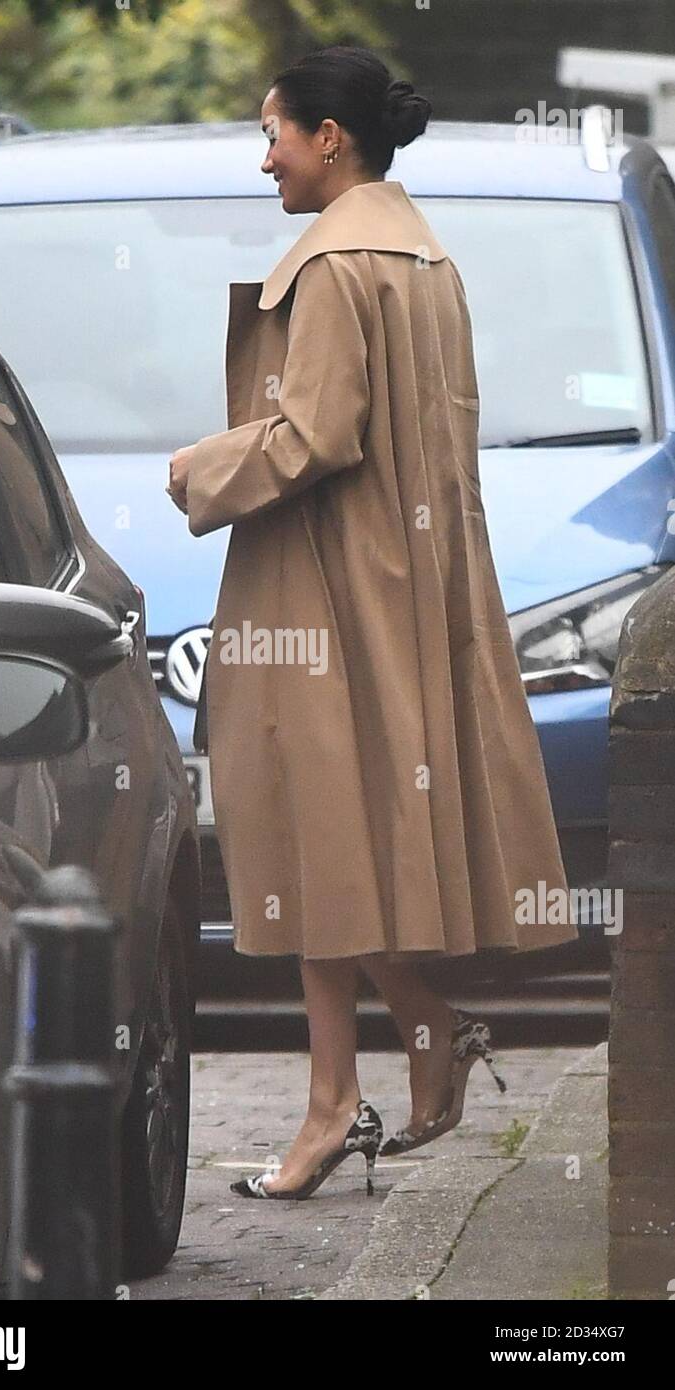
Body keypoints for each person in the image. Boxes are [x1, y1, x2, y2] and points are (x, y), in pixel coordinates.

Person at [166, 45, 579, 1200]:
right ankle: (364, 1075)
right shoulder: (427, 255)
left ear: (329, 139)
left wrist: (203, 468)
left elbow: (318, 435)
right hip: (404, 582)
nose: (266, 158)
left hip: (328, 585)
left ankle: (359, 1081)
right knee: (324, 841)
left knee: (312, 832)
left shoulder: (339, 265)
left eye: (276, 134)